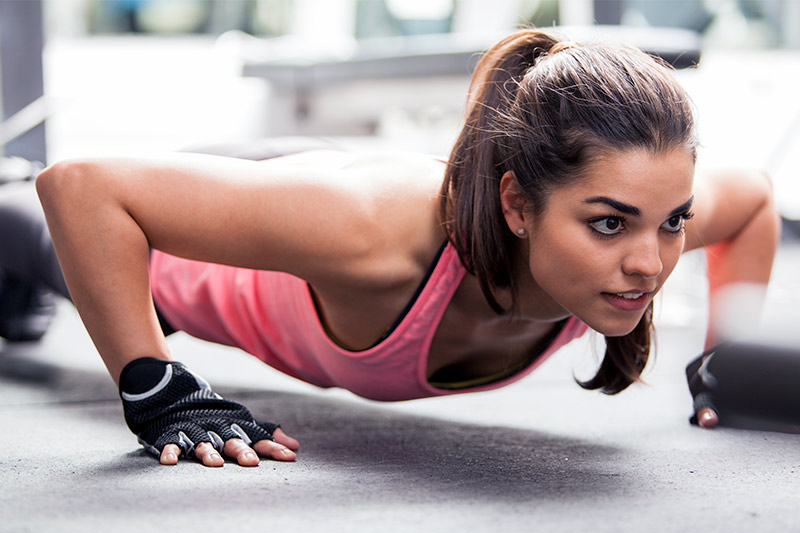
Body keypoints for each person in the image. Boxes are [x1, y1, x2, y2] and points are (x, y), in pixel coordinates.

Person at [10, 28, 781, 467]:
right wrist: (159, 390)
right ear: (516, 203)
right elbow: (81, 189)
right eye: (609, 224)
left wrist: (721, 364)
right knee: (25, 229)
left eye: (672, 220)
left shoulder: (631, 221)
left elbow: (748, 205)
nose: (651, 263)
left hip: (312, 182)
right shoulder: (373, 232)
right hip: (197, 252)